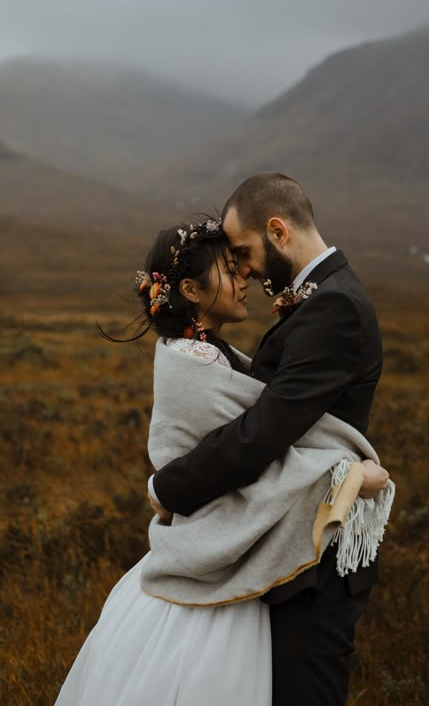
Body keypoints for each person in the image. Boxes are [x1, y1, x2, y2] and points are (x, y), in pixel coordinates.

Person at [148, 173, 389, 706]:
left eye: (243, 253)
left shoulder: (334, 308)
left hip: (316, 562)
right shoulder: (320, 299)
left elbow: (263, 434)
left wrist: (169, 487)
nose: (241, 270)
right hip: (292, 544)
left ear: (277, 231)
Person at [55, 220, 273, 706]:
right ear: (190, 289)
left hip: (217, 546)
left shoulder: (214, 353)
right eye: (230, 270)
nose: (245, 279)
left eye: (242, 268)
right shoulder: (193, 358)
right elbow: (248, 447)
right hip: (209, 555)